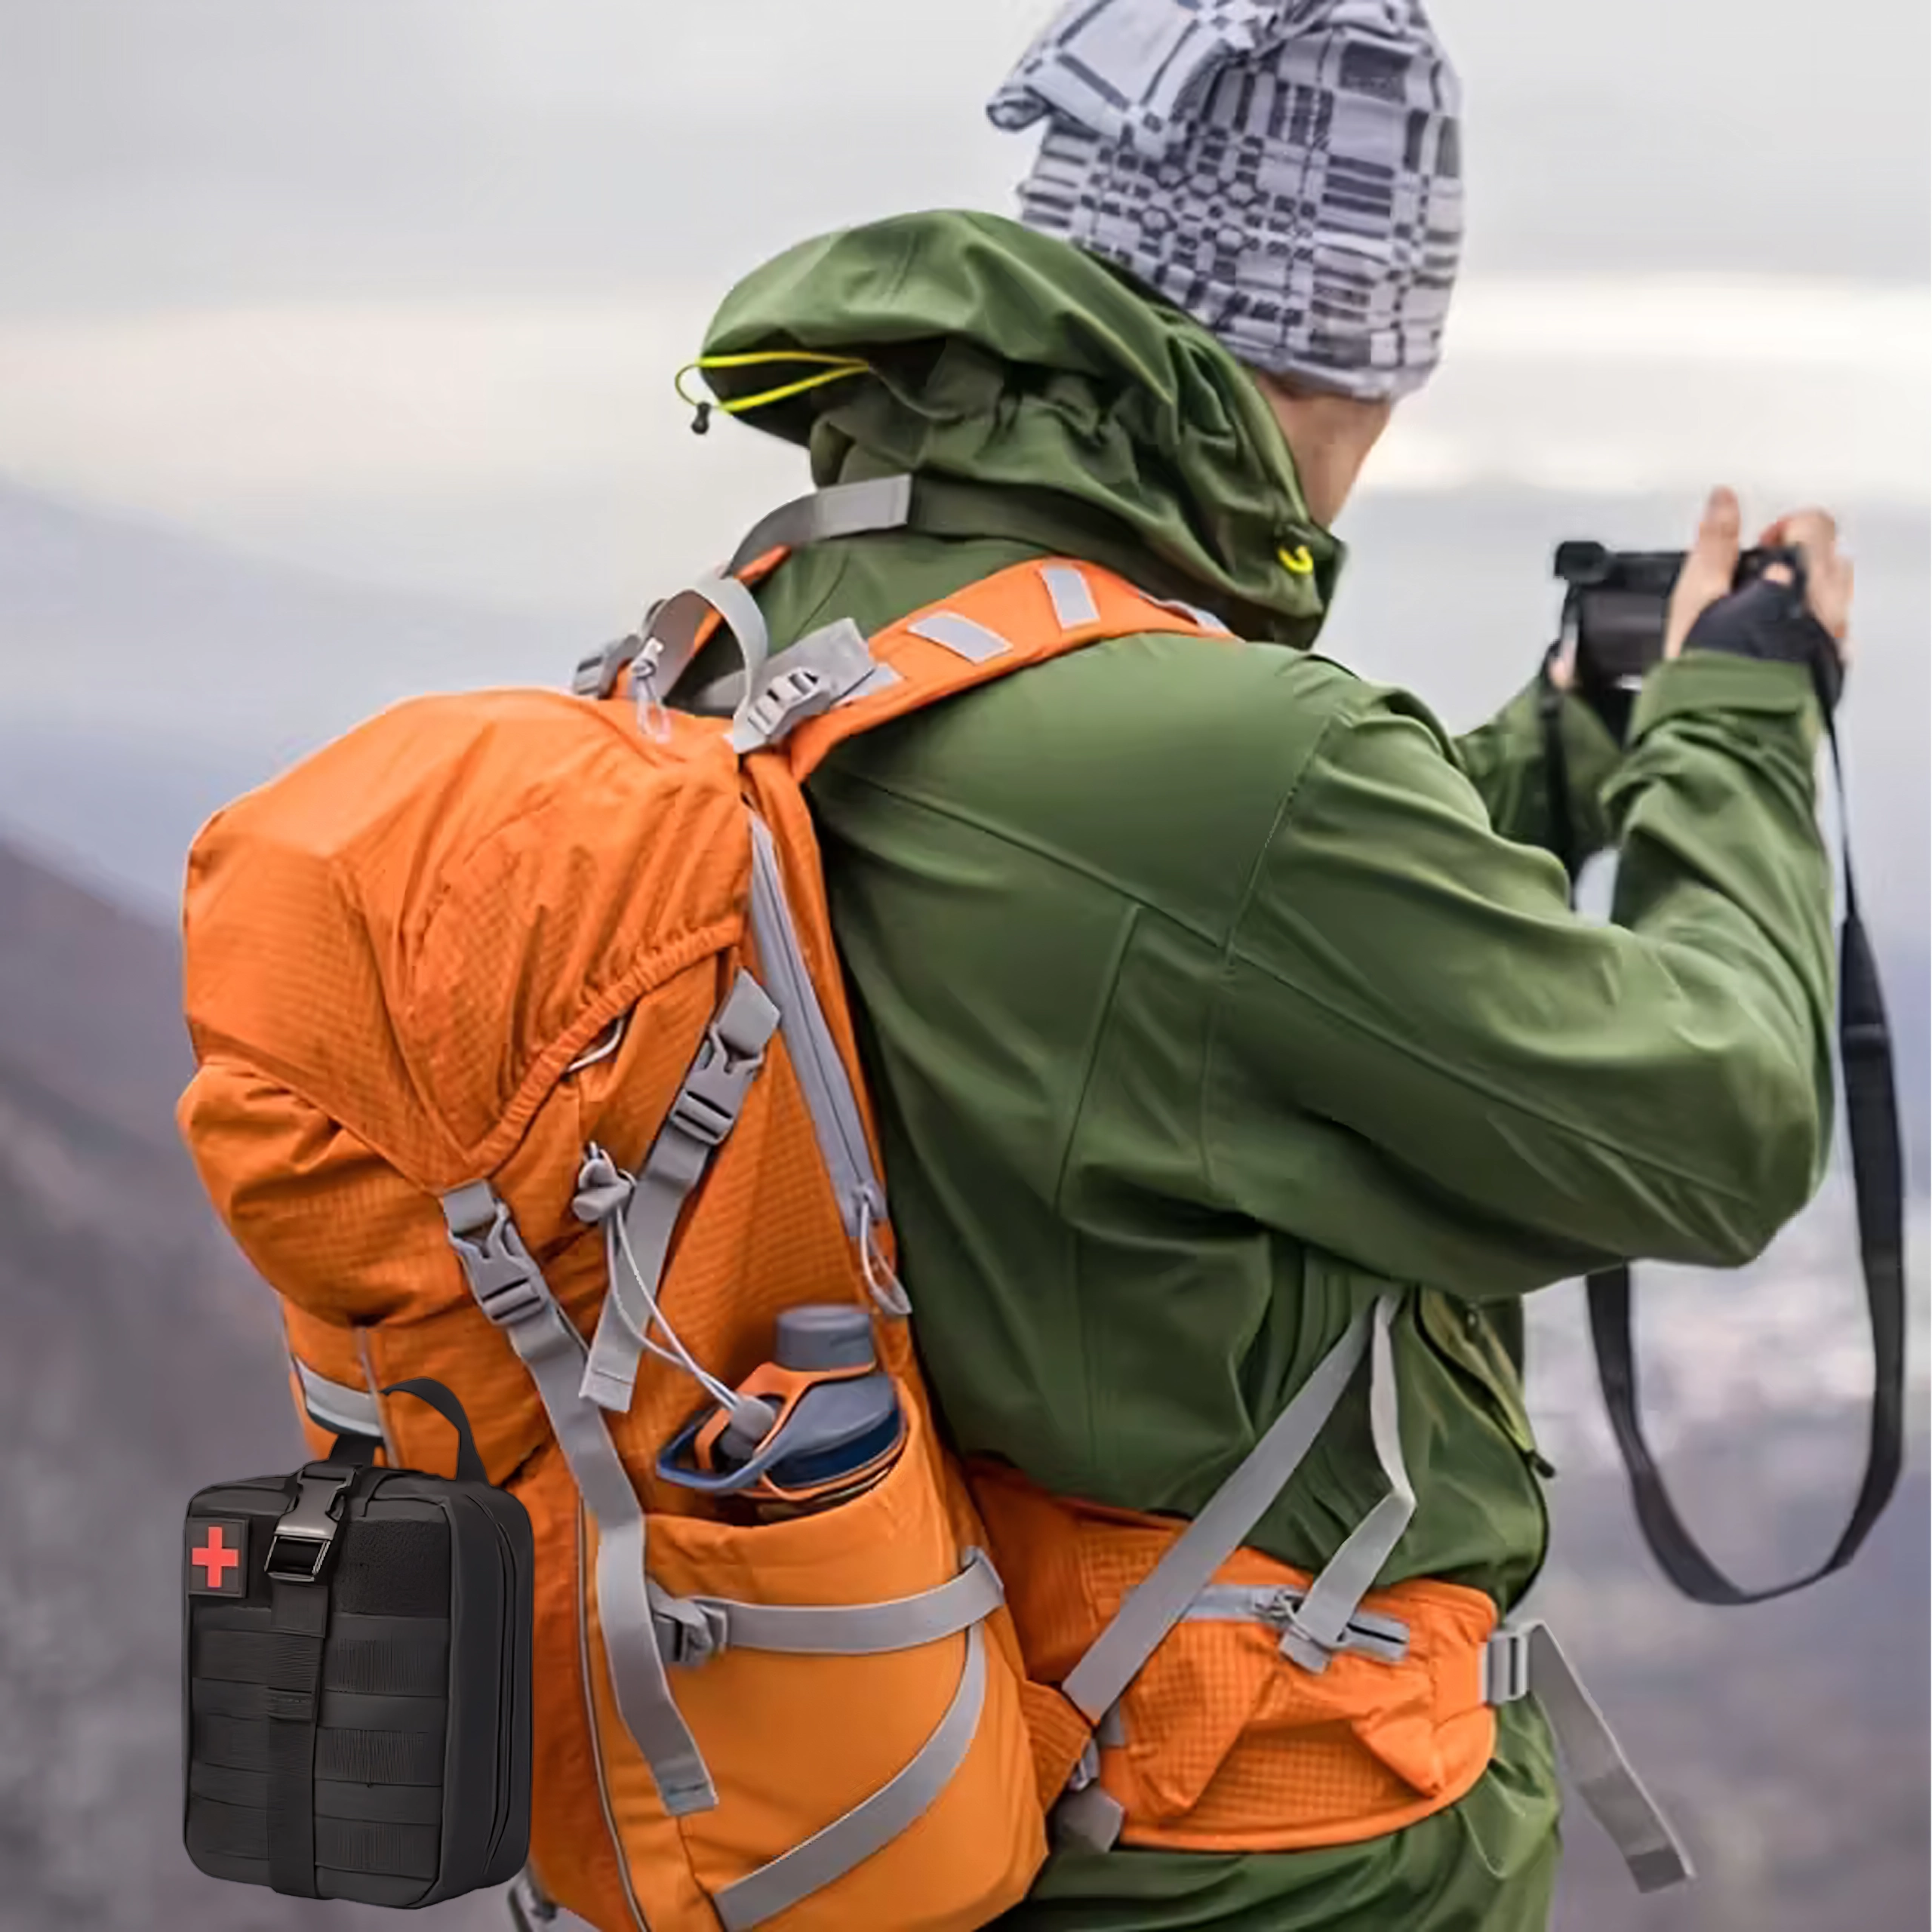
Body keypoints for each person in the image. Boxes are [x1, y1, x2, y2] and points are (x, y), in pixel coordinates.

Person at [677, 2, 1852, 1926]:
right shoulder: (1228, 754)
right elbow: (1719, 1122)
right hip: (1242, 1850)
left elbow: (1140, 941)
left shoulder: (794, 631)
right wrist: (1735, 723)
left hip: (895, 1765)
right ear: (1338, 357)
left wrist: (1559, 743)